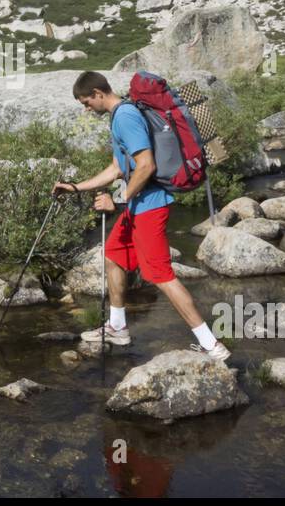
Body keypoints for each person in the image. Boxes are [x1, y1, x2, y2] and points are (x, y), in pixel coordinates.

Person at [53, 70, 230, 361]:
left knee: (160, 275)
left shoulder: (125, 117)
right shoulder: (119, 116)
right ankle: (118, 326)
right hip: (139, 206)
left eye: (86, 102)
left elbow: (145, 166)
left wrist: (119, 200)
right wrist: (75, 187)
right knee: (114, 254)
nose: (86, 109)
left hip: (149, 207)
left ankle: (211, 344)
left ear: (99, 93)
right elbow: (117, 168)